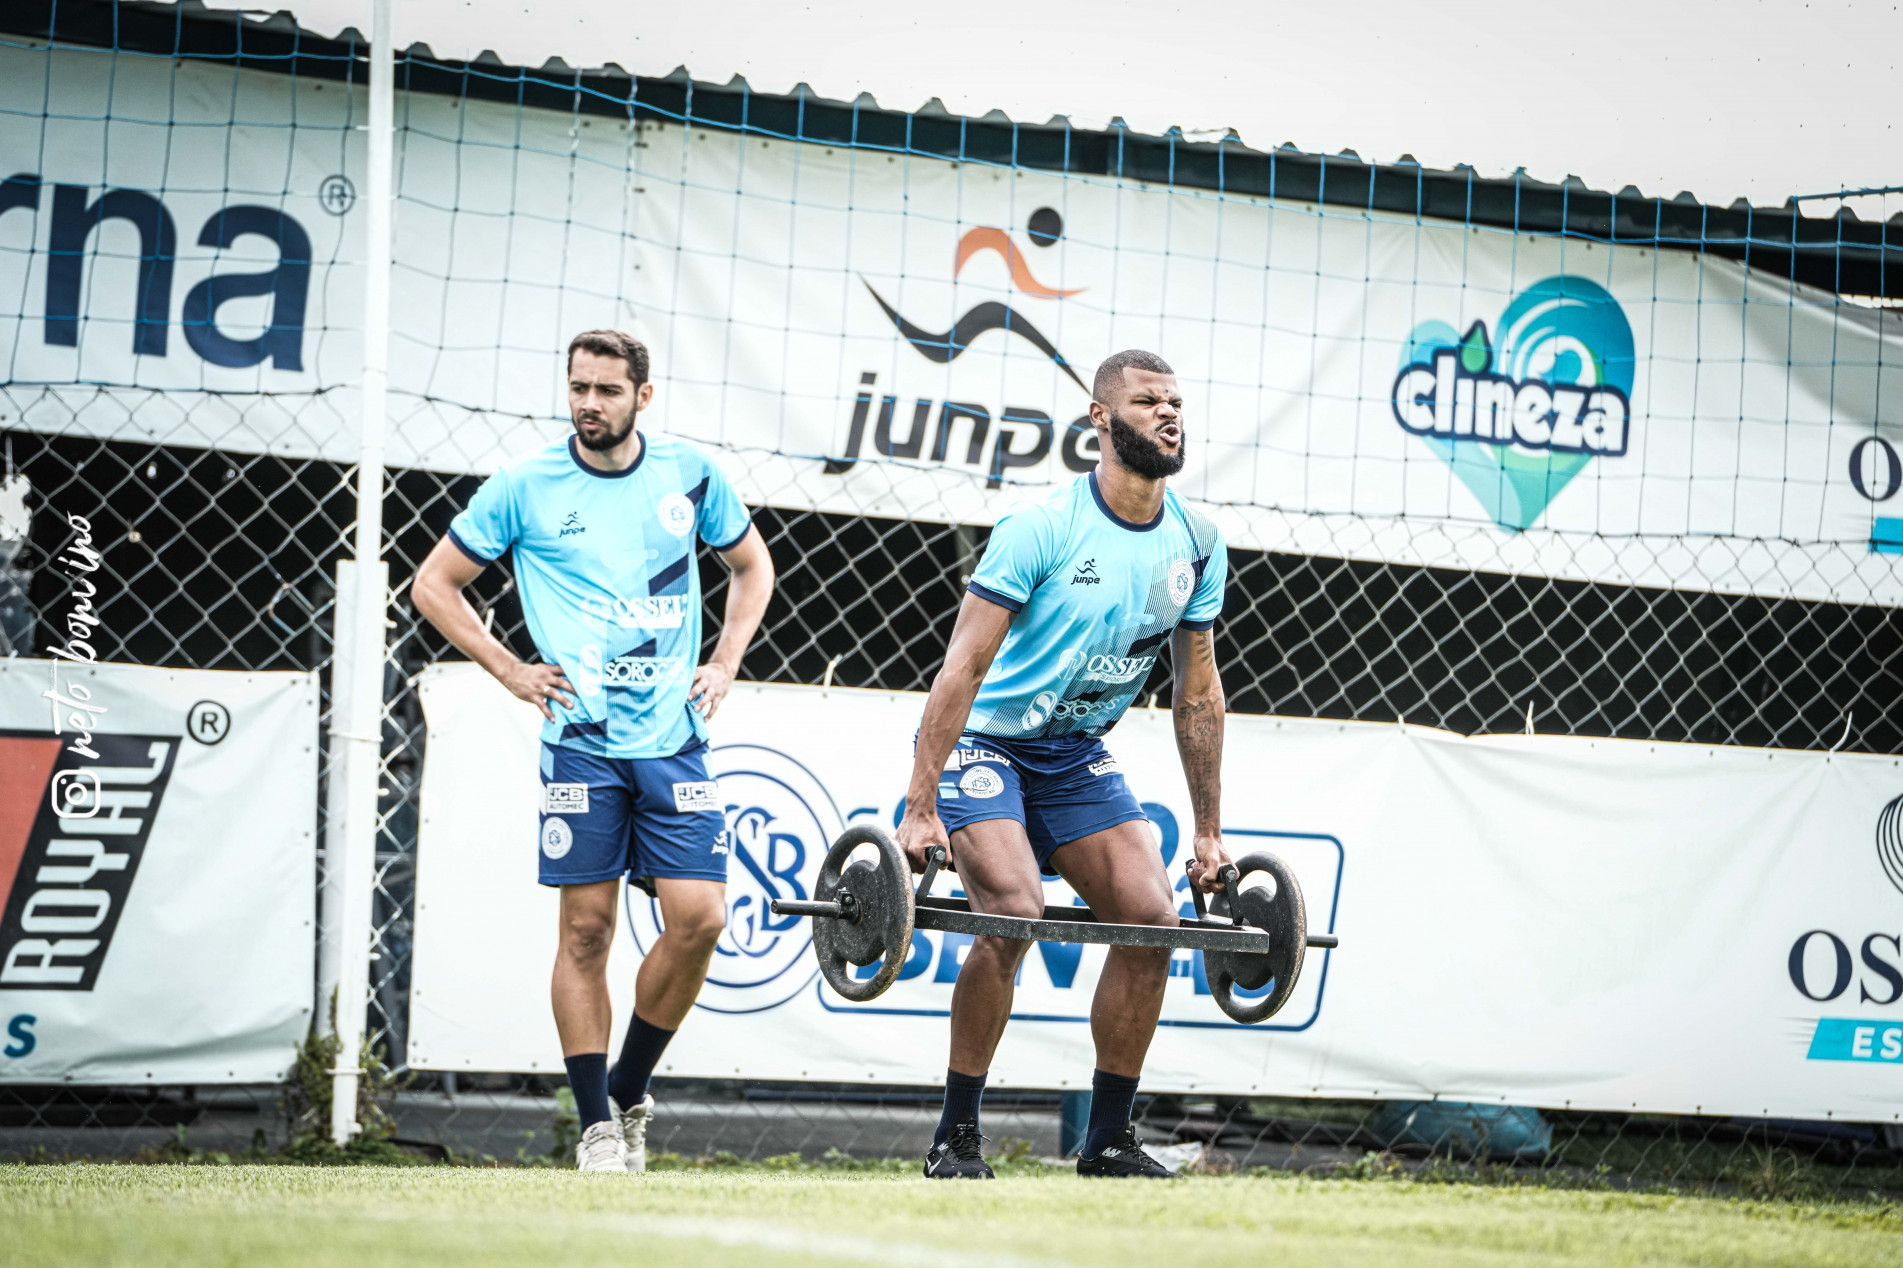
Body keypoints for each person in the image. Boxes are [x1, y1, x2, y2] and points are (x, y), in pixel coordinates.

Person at [411, 330, 775, 1173]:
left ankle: (627, 1091)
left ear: (643, 396)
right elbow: (434, 584)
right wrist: (508, 669)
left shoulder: (689, 474)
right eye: (578, 386)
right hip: (580, 741)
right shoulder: (525, 486)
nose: (589, 403)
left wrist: (723, 662)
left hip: (673, 739)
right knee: (585, 933)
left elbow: (751, 567)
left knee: (700, 919)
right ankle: (596, 1131)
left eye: (608, 389)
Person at [894, 349, 1231, 1180]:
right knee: (1011, 912)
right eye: (1148, 401)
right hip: (988, 745)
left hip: (1074, 755)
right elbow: (961, 670)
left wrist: (1209, 834)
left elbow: (1198, 696)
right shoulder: (1040, 528)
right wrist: (919, 805)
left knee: (1152, 925)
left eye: (1176, 400)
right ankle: (957, 1136)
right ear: (1100, 420)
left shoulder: (1197, 539)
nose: (1168, 414)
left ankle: (1108, 1141)